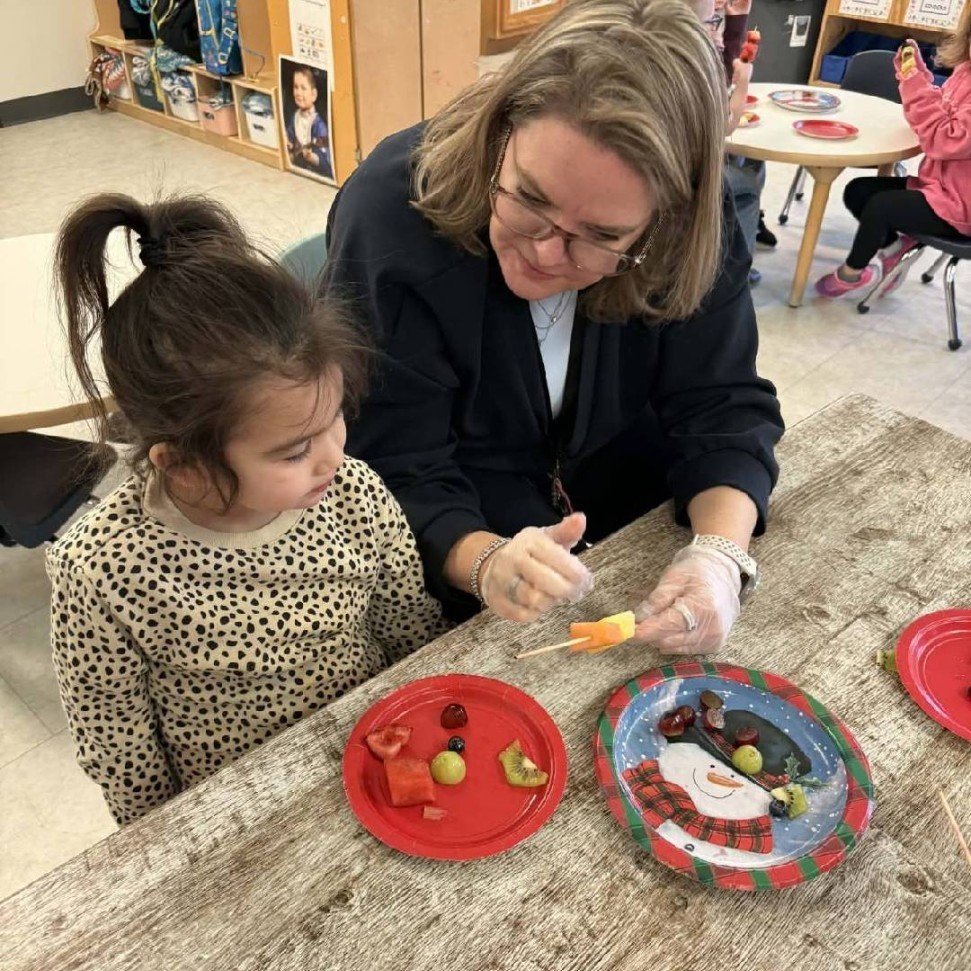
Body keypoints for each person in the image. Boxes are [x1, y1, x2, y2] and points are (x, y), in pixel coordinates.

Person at [325, 0, 783, 656]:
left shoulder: (694, 229)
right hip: (463, 552)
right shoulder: (391, 218)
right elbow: (391, 462)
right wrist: (484, 560)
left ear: (666, 219)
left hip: (638, 525)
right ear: (497, 135)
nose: (545, 253)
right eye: (529, 199)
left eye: (601, 235)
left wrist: (717, 555)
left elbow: (722, 404)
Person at [48, 193, 445, 825]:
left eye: (335, 417)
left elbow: (410, 631)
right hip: (236, 814)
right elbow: (119, 746)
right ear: (181, 463)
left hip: (376, 763)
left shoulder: (358, 496)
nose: (334, 458)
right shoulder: (102, 571)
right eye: (293, 453)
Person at [815, 12, 971, 298]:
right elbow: (942, 110)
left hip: (963, 207)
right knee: (858, 191)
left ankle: (852, 273)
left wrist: (914, 85)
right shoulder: (966, 71)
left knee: (881, 206)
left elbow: (943, 139)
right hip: (941, 189)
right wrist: (920, 79)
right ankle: (894, 250)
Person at [699, 0, 775, 286]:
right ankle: (734, 268)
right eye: (712, 23)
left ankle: (745, 227)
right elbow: (724, 125)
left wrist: (735, 18)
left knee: (753, 159)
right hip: (678, 167)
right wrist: (742, 85)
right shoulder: (685, 59)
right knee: (743, 184)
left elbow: (724, 66)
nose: (717, 33)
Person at [286, 64, 334, 180]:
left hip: (314, 172)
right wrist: (288, 141)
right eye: (295, 87)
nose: (298, 93)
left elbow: (326, 159)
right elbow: (290, 134)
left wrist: (312, 157)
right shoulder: (295, 116)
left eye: (303, 88)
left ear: (313, 95)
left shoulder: (318, 125)